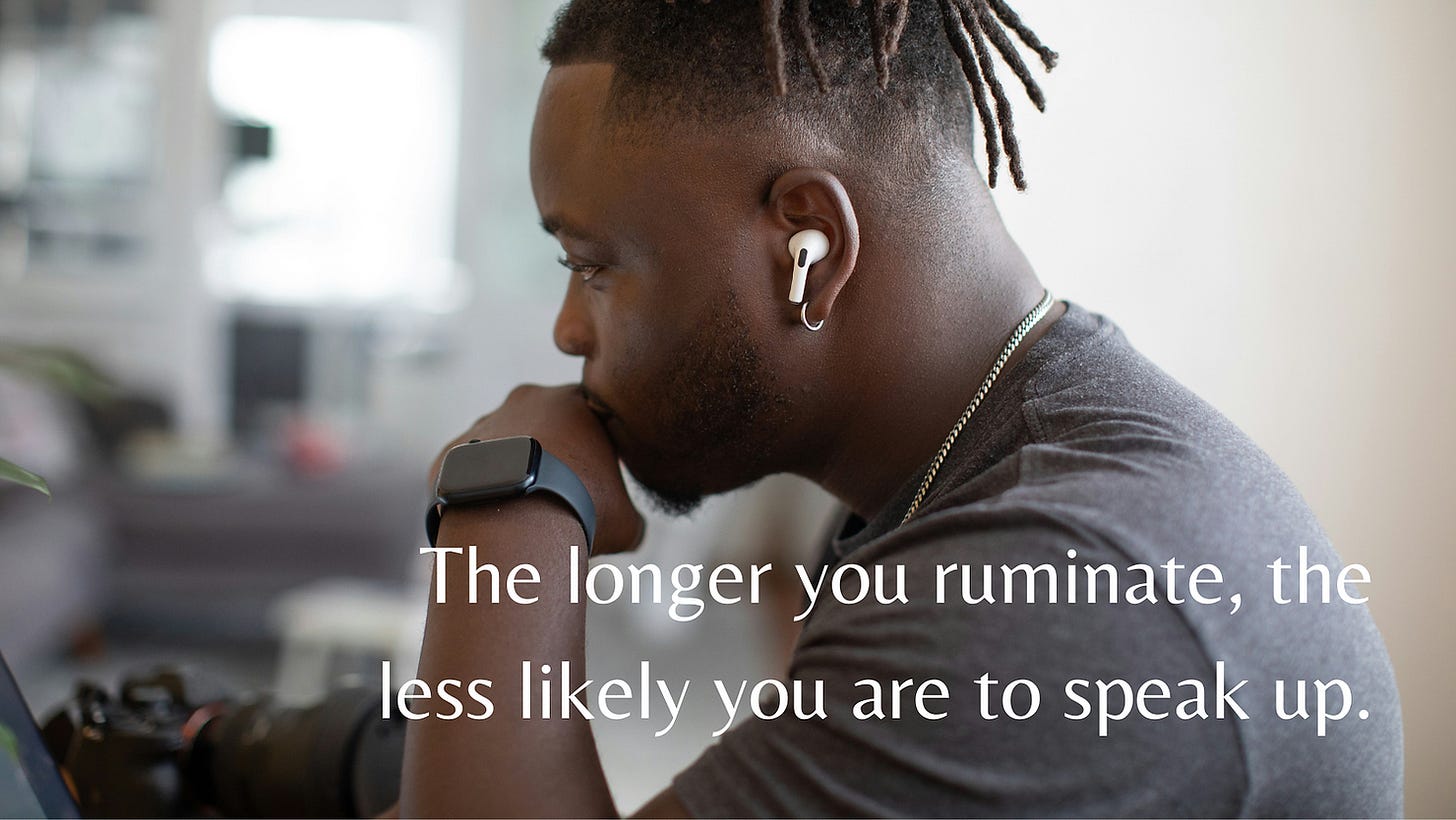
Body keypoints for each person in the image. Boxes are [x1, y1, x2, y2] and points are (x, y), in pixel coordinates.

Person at [396, 1, 1403, 816]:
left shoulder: (1064, 586)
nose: (570, 330)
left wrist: (511, 503)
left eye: (592, 265)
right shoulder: (951, 484)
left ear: (808, 246)